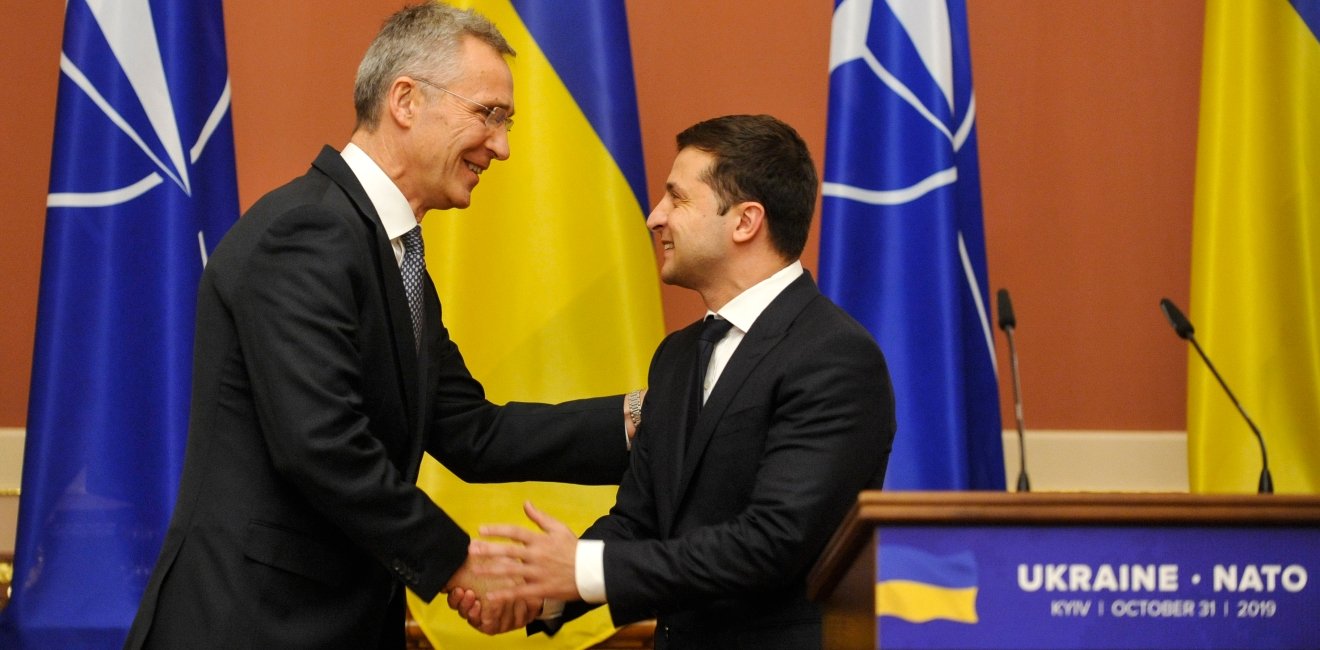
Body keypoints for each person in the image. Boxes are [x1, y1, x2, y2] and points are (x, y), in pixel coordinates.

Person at [125, 3, 639, 647]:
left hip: (330, 622)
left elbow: (472, 433)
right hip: (250, 623)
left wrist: (637, 420)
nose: (503, 147)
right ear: (405, 100)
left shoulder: (393, 254)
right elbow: (321, 444)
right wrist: (457, 560)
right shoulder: (306, 233)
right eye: (490, 115)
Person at [453, 114, 897, 649]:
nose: (653, 218)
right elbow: (640, 520)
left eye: (677, 199)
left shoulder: (834, 357)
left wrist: (584, 567)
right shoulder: (680, 355)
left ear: (745, 221)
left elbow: (772, 544)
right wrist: (541, 591)